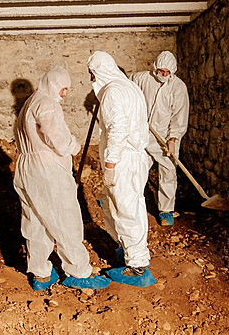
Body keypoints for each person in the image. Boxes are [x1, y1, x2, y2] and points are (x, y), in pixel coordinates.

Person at [13, 65, 111, 291]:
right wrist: (73, 147)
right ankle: (78, 271)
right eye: (63, 88)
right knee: (65, 217)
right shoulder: (46, 104)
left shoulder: (29, 103)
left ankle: (41, 274)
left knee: (35, 221)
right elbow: (56, 136)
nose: (65, 94)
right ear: (52, 84)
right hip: (47, 169)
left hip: (26, 167)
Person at [86, 51, 155, 287]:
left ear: (96, 72)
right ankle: (127, 251)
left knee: (126, 209)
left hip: (124, 159)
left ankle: (137, 268)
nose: (91, 79)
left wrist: (110, 164)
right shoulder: (129, 87)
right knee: (124, 205)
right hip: (135, 157)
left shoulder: (113, 92)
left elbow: (118, 129)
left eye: (91, 74)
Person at [130, 51, 189, 227]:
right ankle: (129, 203)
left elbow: (180, 116)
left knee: (168, 172)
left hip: (164, 137)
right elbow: (125, 86)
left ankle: (166, 211)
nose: (163, 75)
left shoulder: (179, 88)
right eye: (160, 71)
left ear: (173, 71)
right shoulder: (141, 78)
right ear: (155, 68)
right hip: (142, 133)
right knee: (137, 169)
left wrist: (173, 139)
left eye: (167, 72)